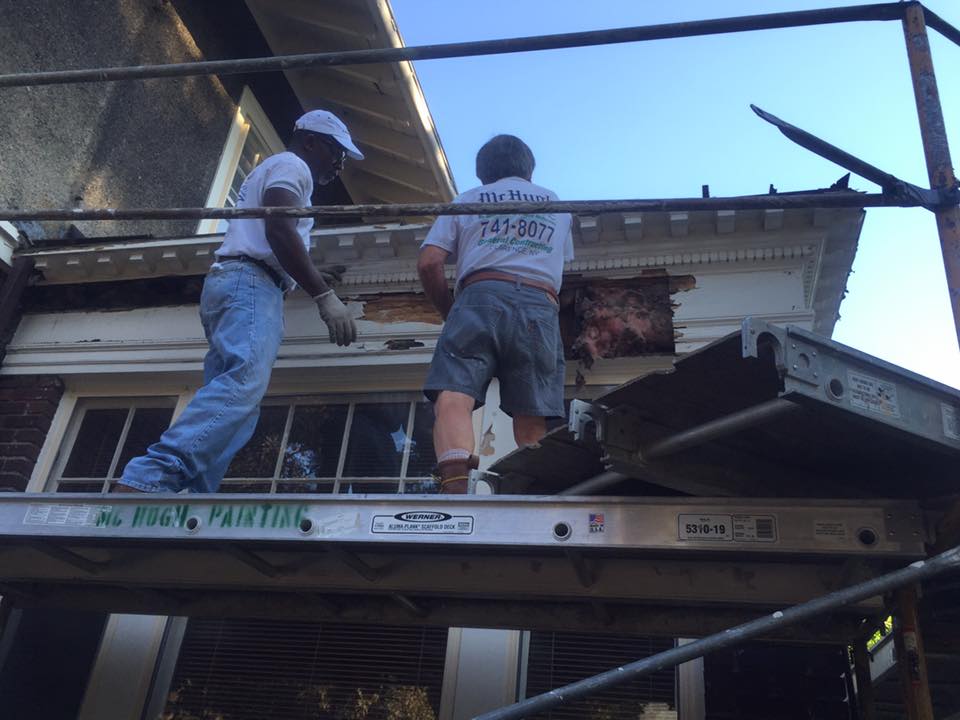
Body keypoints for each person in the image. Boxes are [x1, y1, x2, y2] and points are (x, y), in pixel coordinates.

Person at [117, 109, 362, 493]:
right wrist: (323, 295)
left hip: (238, 283)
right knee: (243, 382)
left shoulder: (279, 169)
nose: (339, 164)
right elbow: (278, 228)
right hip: (250, 284)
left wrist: (305, 272)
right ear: (311, 141)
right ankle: (150, 478)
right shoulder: (293, 165)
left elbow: (273, 236)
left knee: (238, 408)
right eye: (337, 152)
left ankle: (189, 499)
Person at [417, 134, 574, 494]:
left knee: (454, 393)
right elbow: (561, 262)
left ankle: (455, 487)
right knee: (532, 410)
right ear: (529, 170)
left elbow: (429, 262)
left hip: (479, 295)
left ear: (483, 173)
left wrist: (451, 312)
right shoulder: (557, 204)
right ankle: (535, 492)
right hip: (539, 303)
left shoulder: (468, 199)